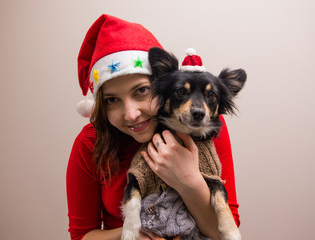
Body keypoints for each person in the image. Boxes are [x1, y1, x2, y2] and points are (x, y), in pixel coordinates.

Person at [67, 14, 240, 240]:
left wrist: (188, 181)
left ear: (163, 86)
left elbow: (227, 232)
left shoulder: (202, 127)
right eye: (112, 100)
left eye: (141, 91)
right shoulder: (89, 143)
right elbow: (81, 236)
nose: (131, 114)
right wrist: (132, 234)